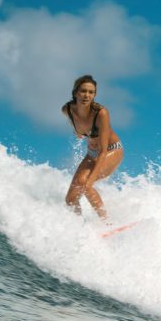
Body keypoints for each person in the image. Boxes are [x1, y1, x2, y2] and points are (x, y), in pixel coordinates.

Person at [61, 75, 123, 220]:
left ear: (94, 95)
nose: (86, 95)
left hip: (112, 150)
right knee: (70, 199)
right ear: (75, 92)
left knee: (86, 185)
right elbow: (76, 124)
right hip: (92, 152)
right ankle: (78, 225)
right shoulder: (67, 110)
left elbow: (103, 151)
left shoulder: (101, 113)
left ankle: (107, 223)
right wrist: (78, 132)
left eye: (91, 92)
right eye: (83, 91)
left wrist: (90, 182)